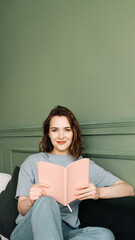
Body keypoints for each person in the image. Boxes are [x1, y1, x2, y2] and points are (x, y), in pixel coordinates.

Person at [10, 105, 134, 240]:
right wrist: (31, 201)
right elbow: (21, 209)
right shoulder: (32, 162)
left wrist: (98, 192)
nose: (61, 136)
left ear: (73, 132)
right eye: (55, 130)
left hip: (64, 232)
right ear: (48, 134)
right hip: (30, 230)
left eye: (67, 130)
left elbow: (128, 189)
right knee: (46, 201)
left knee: (105, 236)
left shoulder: (83, 166)